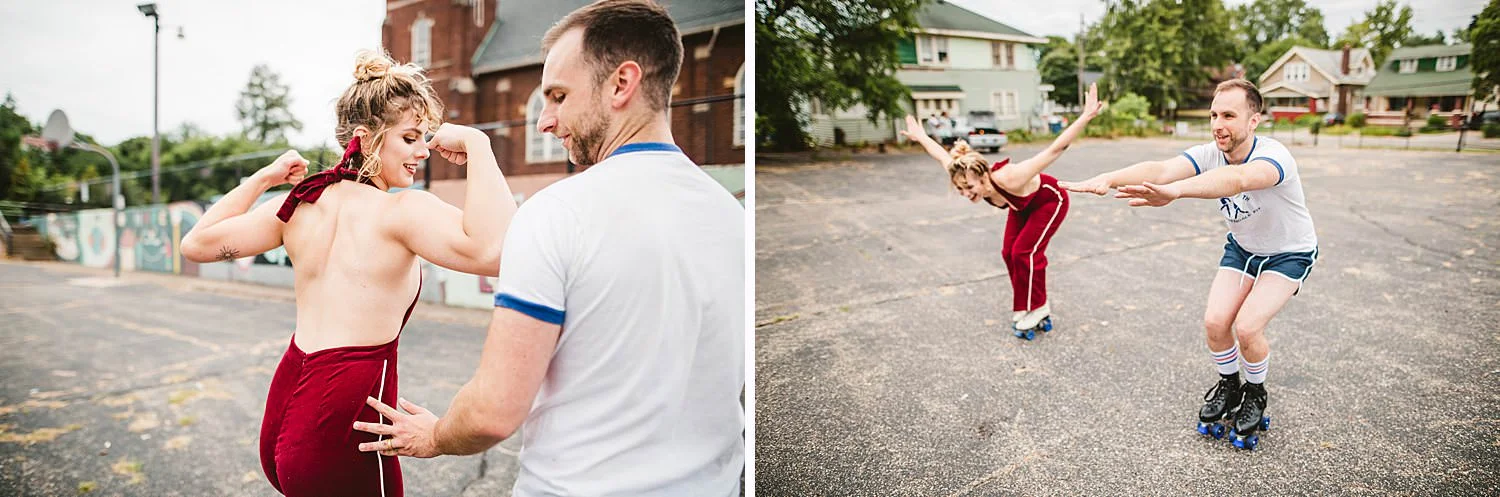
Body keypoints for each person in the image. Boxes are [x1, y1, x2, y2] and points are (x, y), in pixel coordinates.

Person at [352, 1, 746, 495]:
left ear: (621, 84)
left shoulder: (559, 213)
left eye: (558, 96)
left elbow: (494, 411)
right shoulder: (730, 213)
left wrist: (434, 435)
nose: (545, 121)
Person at [179, 50, 518, 496]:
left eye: (424, 138)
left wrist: (265, 177)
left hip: (285, 411)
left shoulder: (300, 203)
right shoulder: (403, 211)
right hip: (340, 427)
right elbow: (499, 251)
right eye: (410, 138)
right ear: (367, 137)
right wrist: (479, 146)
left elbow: (196, 244)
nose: (423, 152)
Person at [1060, 79, 1318, 450]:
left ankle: (1256, 392)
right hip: (1244, 249)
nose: (1218, 124)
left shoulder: (1274, 156)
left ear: (1254, 120)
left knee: (1246, 328)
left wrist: (1177, 193)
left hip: (1289, 252)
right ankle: (1230, 384)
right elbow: (1162, 169)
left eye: (1229, 115)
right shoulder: (1210, 152)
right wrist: (1109, 178)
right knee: (1215, 323)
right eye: (1213, 115)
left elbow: (1238, 179)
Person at [898, 83, 1105, 339]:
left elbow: (1054, 149)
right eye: (961, 189)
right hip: (1022, 206)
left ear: (983, 177)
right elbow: (940, 155)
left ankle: (1038, 307)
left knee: (1024, 252)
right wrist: (922, 137)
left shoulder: (1010, 177)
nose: (966, 193)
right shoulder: (963, 171)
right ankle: (1025, 305)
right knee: (1009, 252)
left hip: (1050, 201)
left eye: (970, 188)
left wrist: (1085, 116)